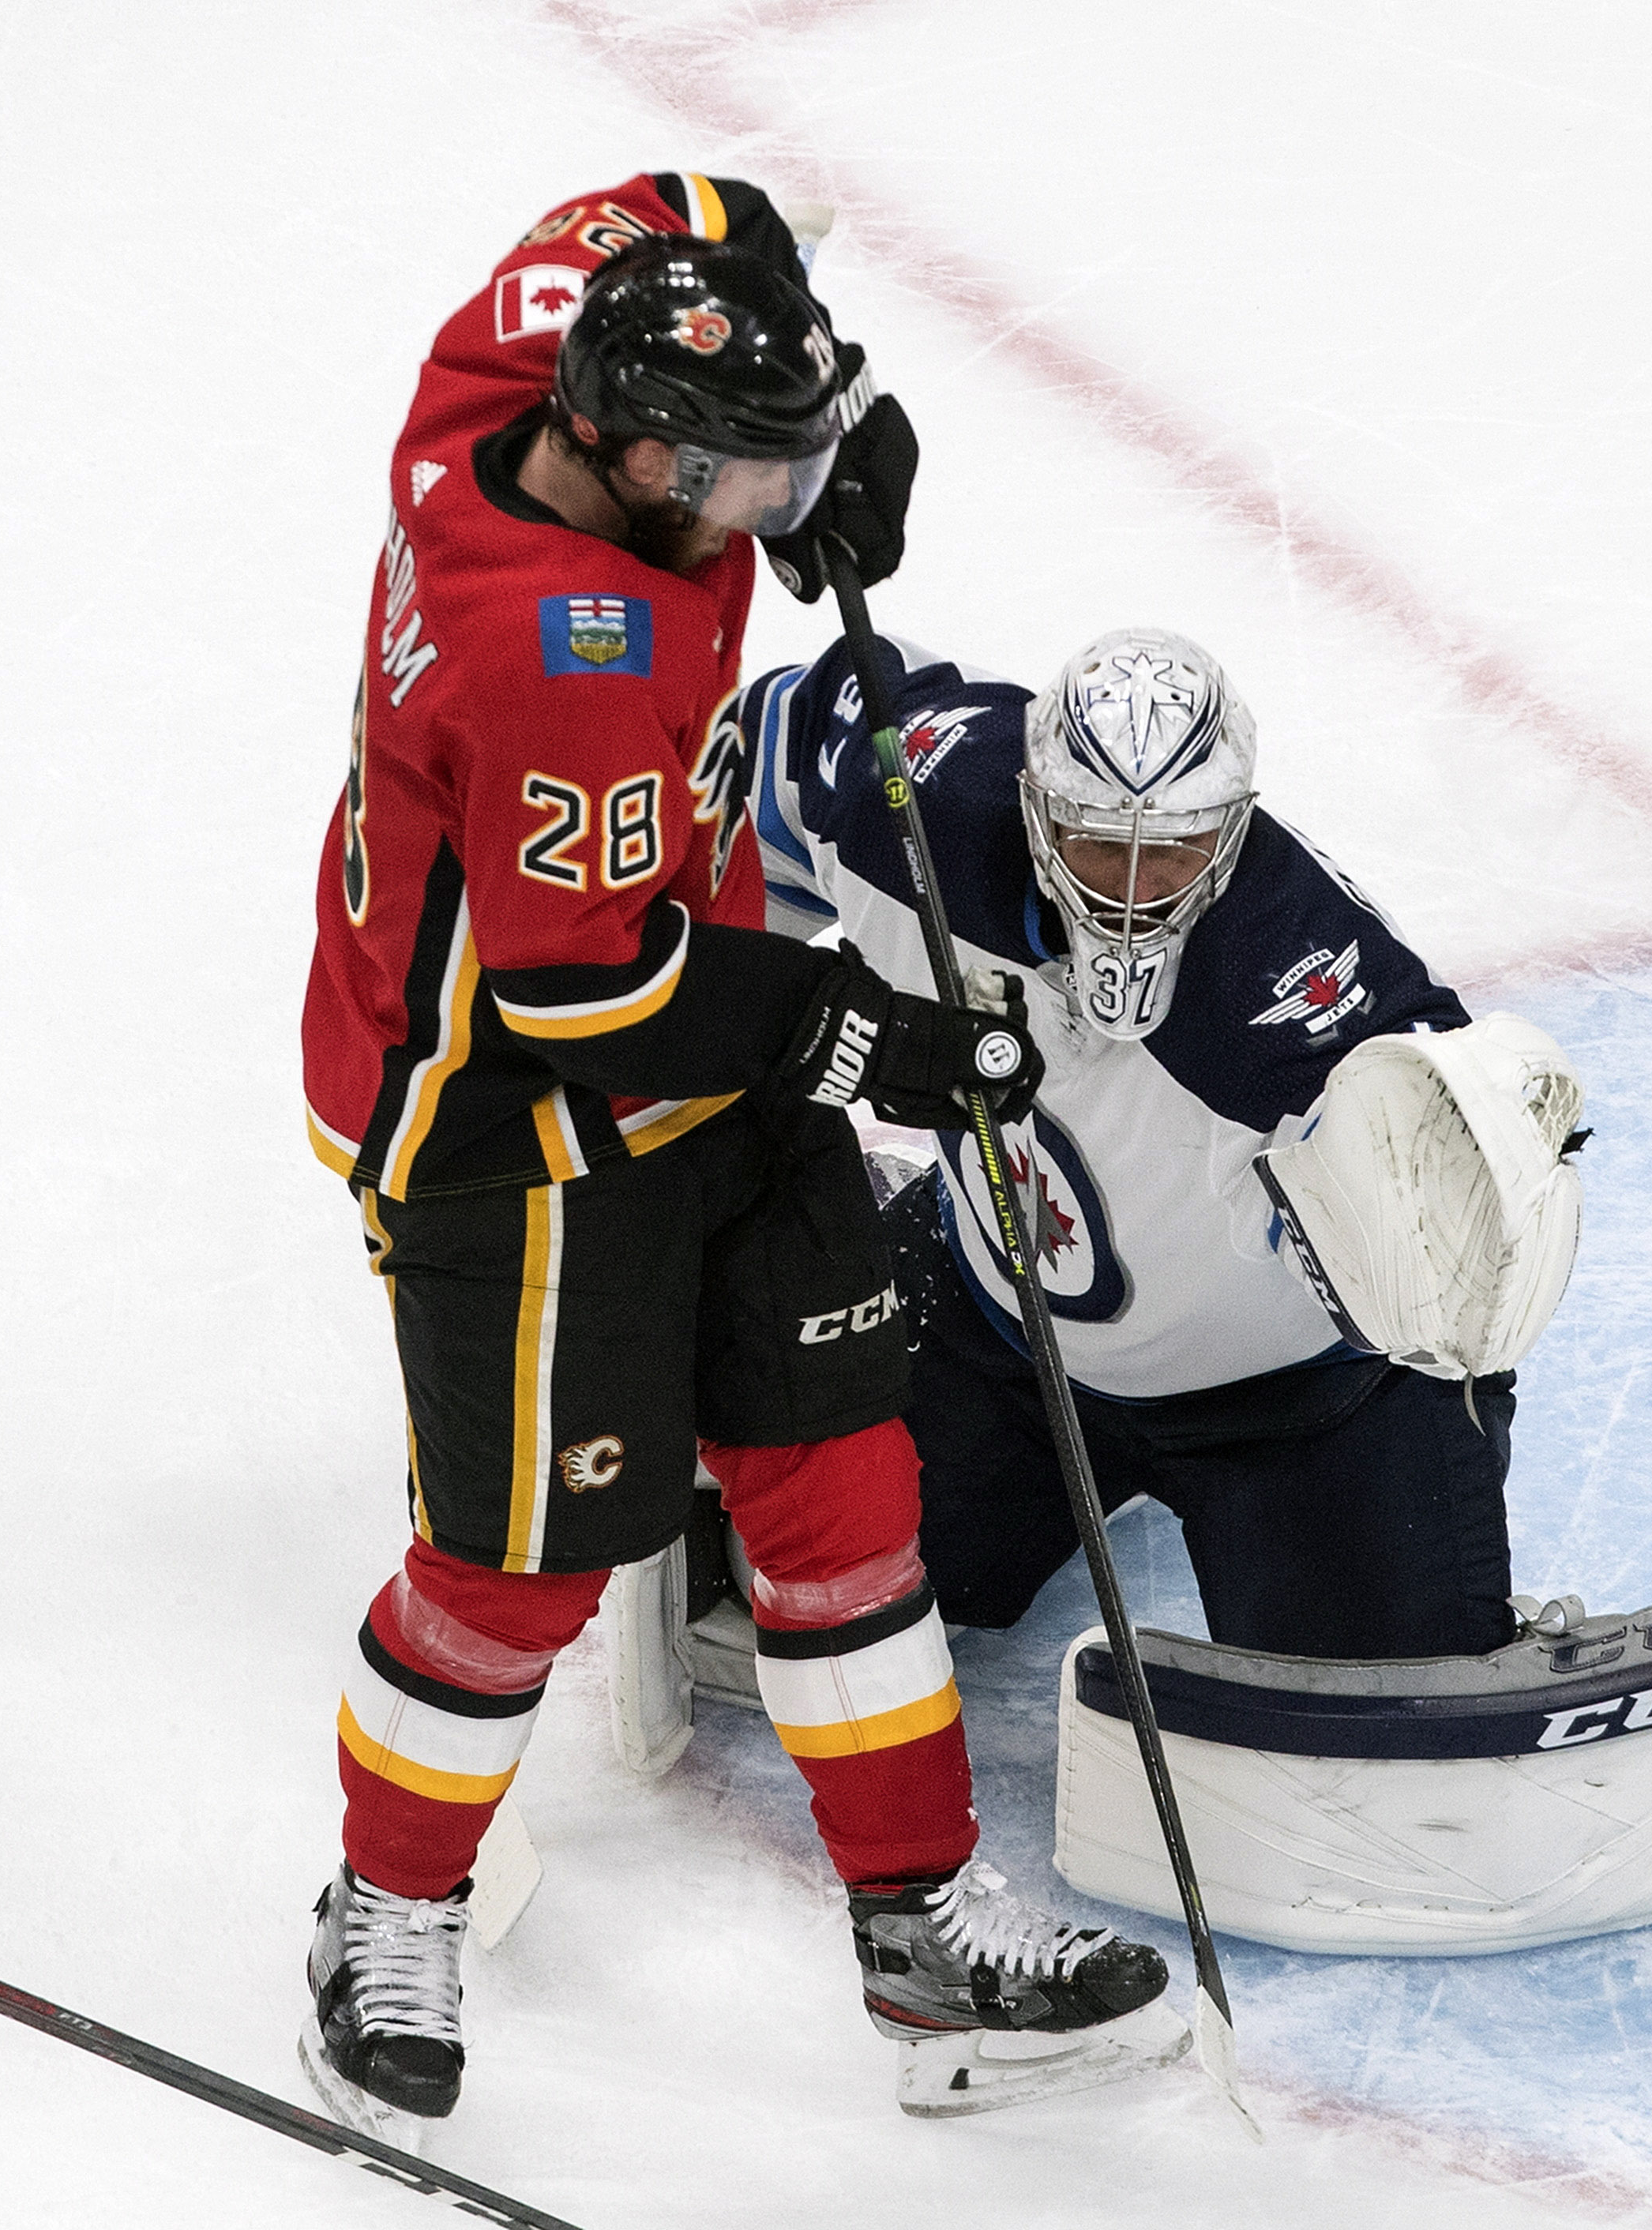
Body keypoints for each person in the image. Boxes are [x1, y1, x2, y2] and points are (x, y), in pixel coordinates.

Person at [297, 175, 1181, 2138]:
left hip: (698, 1040)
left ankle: (923, 1931)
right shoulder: (555, 647)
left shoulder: (505, 363)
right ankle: (387, 1902)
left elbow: (700, 208)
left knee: (846, 1494)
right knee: (515, 1569)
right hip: (504, 1128)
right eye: (761, 489)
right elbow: (583, 996)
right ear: (636, 449)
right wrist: (869, 1035)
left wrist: (819, 421)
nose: (788, 525)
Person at [723, 625, 1536, 1665]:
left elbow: (1463, 1221)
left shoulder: (1298, 977)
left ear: (1231, 826)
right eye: (1099, 840)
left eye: (1177, 848)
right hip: (1005, 1336)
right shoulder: (918, 809)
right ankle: (923, 1247)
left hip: (1300, 1406)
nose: (1133, 887)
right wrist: (722, 994)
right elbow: (786, 734)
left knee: (1371, 1712)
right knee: (798, 1577)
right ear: (1035, 804)